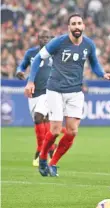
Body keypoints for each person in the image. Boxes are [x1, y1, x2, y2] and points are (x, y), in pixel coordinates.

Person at [24, 13, 110, 177]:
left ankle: (52, 164)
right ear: (69, 27)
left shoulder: (89, 44)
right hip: (55, 90)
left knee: (72, 131)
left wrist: (103, 74)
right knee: (56, 130)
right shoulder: (58, 42)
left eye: (79, 23)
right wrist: (30, 81)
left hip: (75, 92)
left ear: (83, 26)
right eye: (73, 24)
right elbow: (38, 58)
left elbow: (94, 63)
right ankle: (43, 158)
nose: (76, 26)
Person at [16, 28, 57, 167]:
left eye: (48, 37)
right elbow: (22, 65)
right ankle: (49, 148)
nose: (45, 39)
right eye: (42, 37)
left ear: (51, 39)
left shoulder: (55, 53)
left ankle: (40, 151)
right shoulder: (31, 53)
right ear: (38, 38)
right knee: (41, 120)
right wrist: (19, 71)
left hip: (48, 91)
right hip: (33, 92)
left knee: (39, 116)